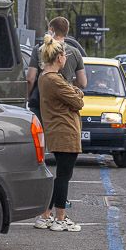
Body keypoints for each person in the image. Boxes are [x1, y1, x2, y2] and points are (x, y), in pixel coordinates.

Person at [34, 34, 85, 232]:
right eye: (64, 56)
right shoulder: (55, 80)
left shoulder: (44, 77)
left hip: (56, 130)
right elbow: (78, 101)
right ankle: (60, 218)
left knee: (60, 175)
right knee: (64, 176)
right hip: (65, 131)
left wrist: (75, 92)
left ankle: (45, 215)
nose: (65, 59)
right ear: (58, 58)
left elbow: (73, 93)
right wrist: (77, 93)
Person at [26, 17, 87, 121]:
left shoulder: (39, 49)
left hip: (42, 104)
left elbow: (30, 79)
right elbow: (82, 83)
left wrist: (28, 97)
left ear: (51, 29)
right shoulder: (75, 52)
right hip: (65, 106)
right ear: (66, 31)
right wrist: (68, 84)